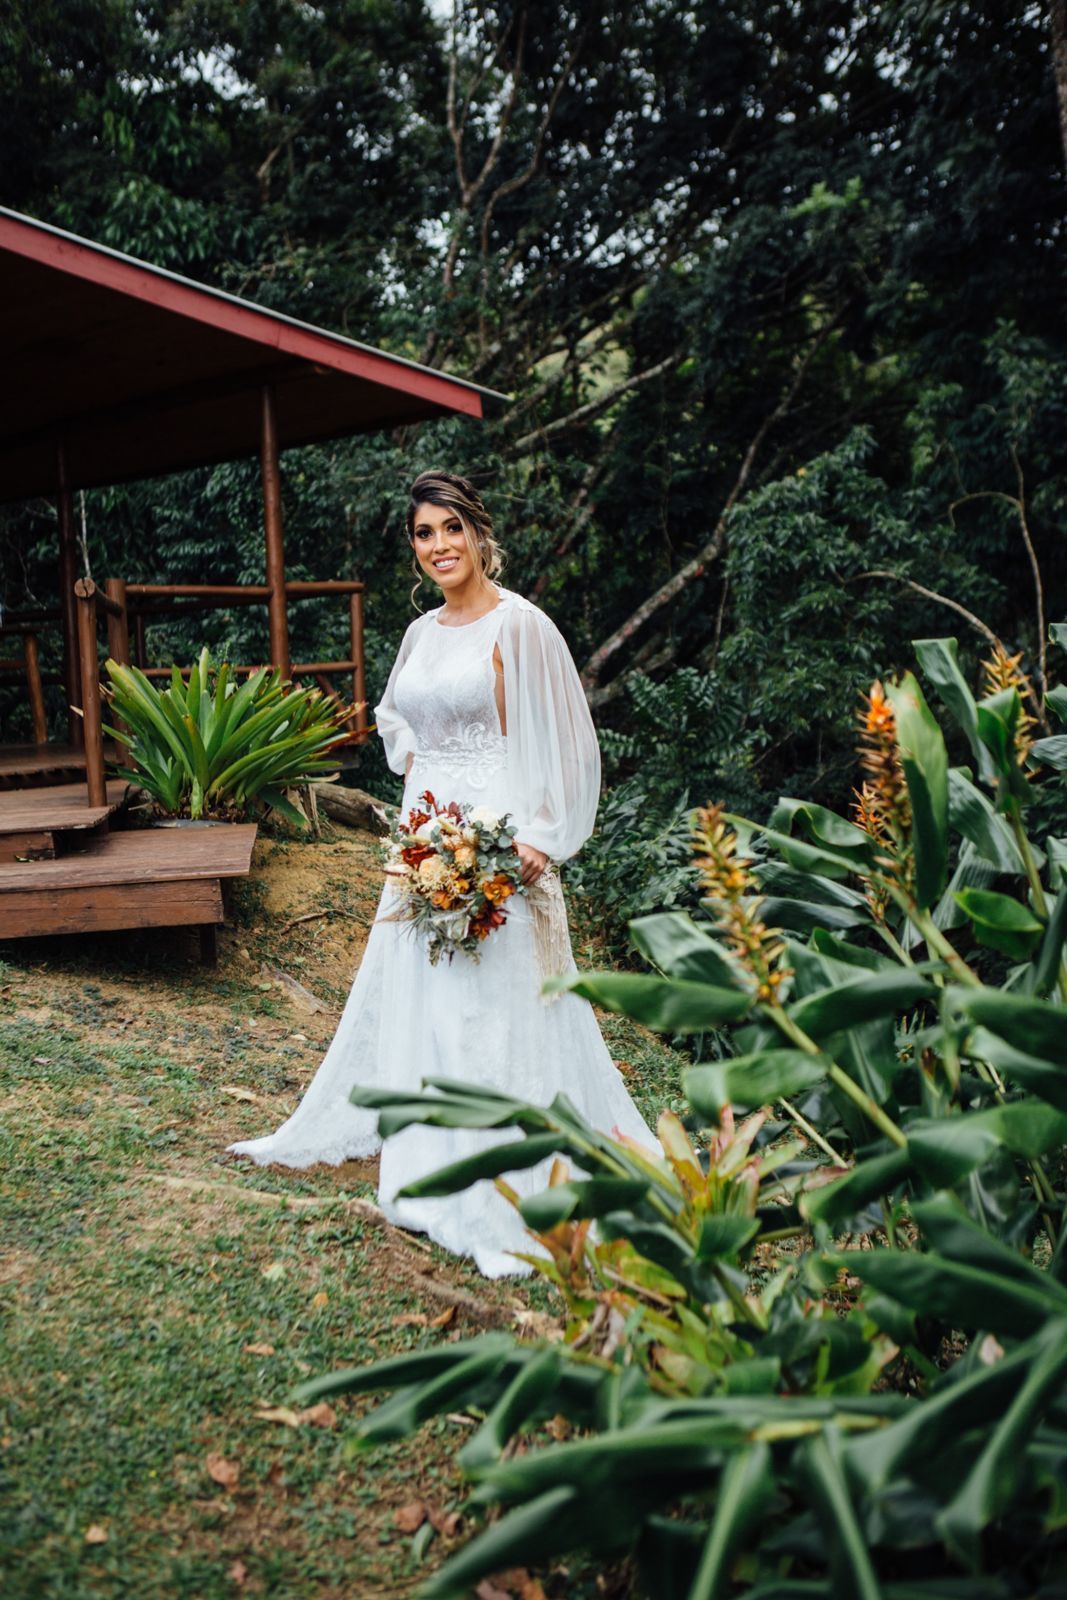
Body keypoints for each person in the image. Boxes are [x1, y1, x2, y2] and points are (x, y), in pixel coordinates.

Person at [228, 470, 655, 1276]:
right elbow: (396, 715)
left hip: (500, 839)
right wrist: (425, 792)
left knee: (493, 1001)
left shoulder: (522, 625)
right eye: (423, 535)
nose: (438, 547)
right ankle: (428, 1155)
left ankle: (505, 1182)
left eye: (449, 529)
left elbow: (569, 742)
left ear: (479, 533)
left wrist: (540, 836)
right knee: (425, 990)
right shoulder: (421, 634)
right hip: (427, 834)